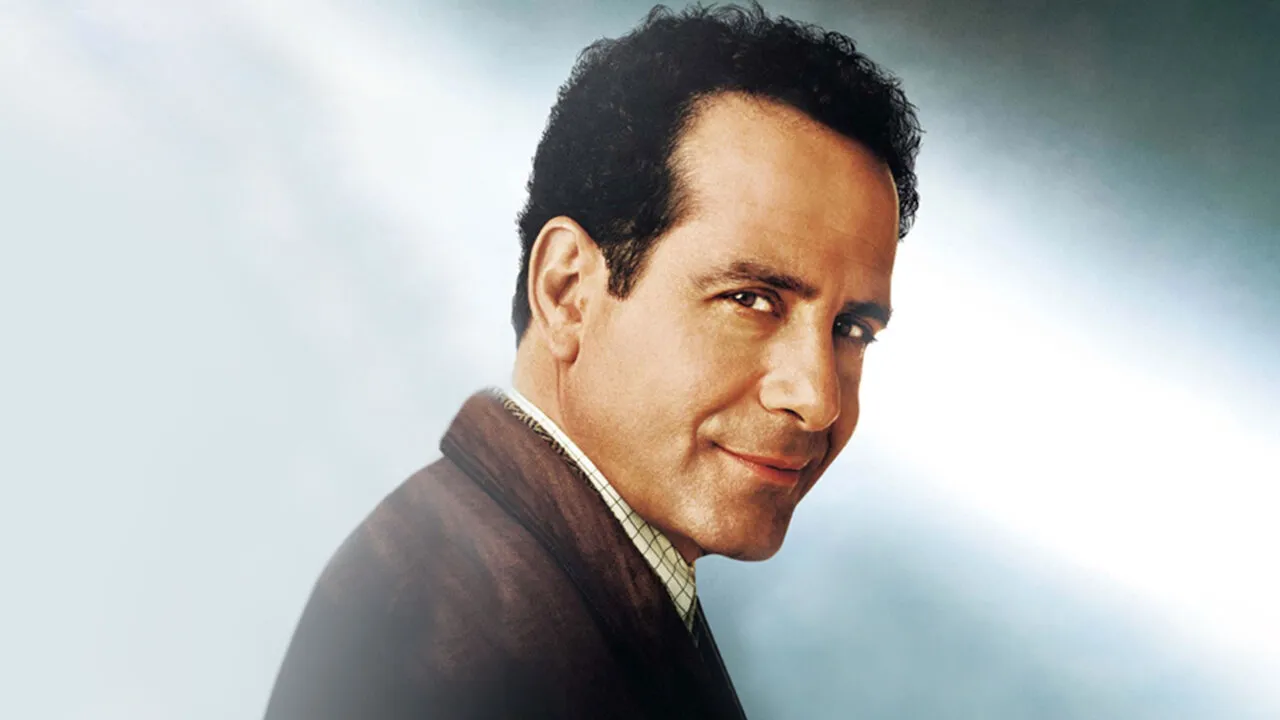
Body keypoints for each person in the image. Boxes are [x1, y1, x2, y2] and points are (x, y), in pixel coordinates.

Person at [263, 3, 920, 718]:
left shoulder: (520, 594)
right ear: (568, 291)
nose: (818, 399)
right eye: (751, 299)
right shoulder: (463, 642)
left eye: (852, 329)